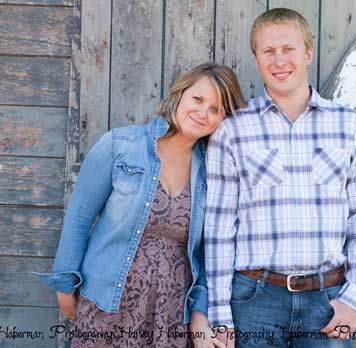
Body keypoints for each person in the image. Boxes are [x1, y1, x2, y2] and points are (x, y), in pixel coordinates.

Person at [32, 62, 246, 348]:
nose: (203, 112)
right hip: (107, 303)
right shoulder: (120, 145)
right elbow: (79, 219)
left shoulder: (212, 169)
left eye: (216, 109)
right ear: (180, 94)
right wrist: (65, 287)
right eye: (198, 99)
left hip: (171, 314)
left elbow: (212, 248)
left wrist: (201, 309)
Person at [204, 8, 356, 348]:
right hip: (253, 300)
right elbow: (220, 226)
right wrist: (220, 312)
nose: (279, 60)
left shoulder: (349, 126)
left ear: (308, 53)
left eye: (289, 49)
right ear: (257, 59)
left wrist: (355, 300)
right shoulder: (233, 130)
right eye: (268, 51)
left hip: (327, 302)